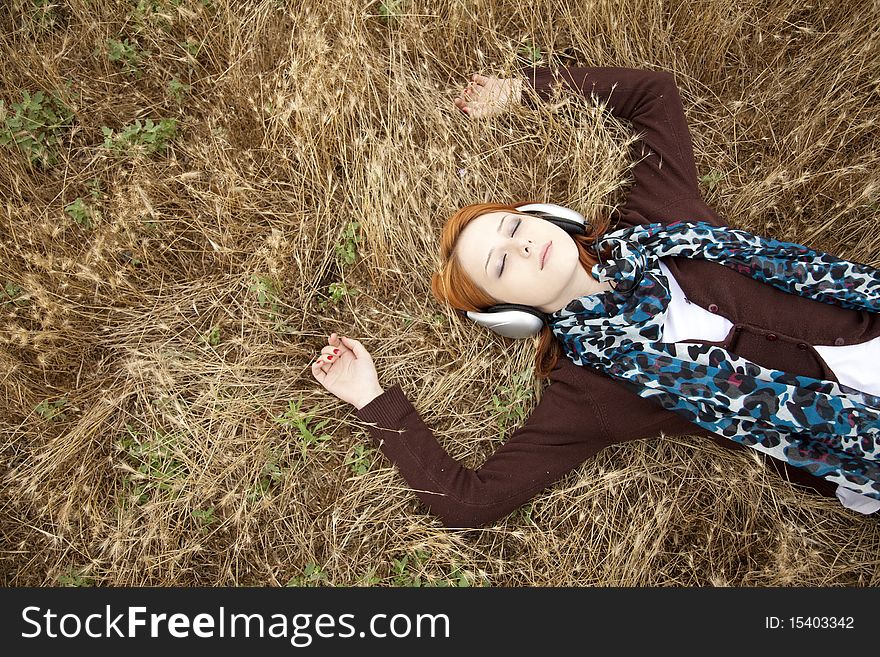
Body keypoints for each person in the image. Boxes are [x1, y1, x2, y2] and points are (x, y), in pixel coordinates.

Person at [311, 64, 880, 528]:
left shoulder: (659, 216)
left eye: (513, 227)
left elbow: (654, 94)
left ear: (546, 217)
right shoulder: (590, 391)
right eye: (500, 265)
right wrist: (370, 397)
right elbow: (471, 502)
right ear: (508, 314)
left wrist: (522, 89)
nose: (522, 246)